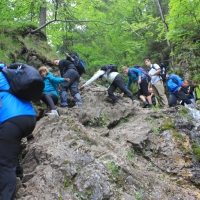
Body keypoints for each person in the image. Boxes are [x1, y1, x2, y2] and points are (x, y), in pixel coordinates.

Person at [0, 63, 36, 200]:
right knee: (7, 152)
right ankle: (18, 172)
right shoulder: (9, 75)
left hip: (12, 119)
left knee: (4, 164)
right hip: (28, 117)